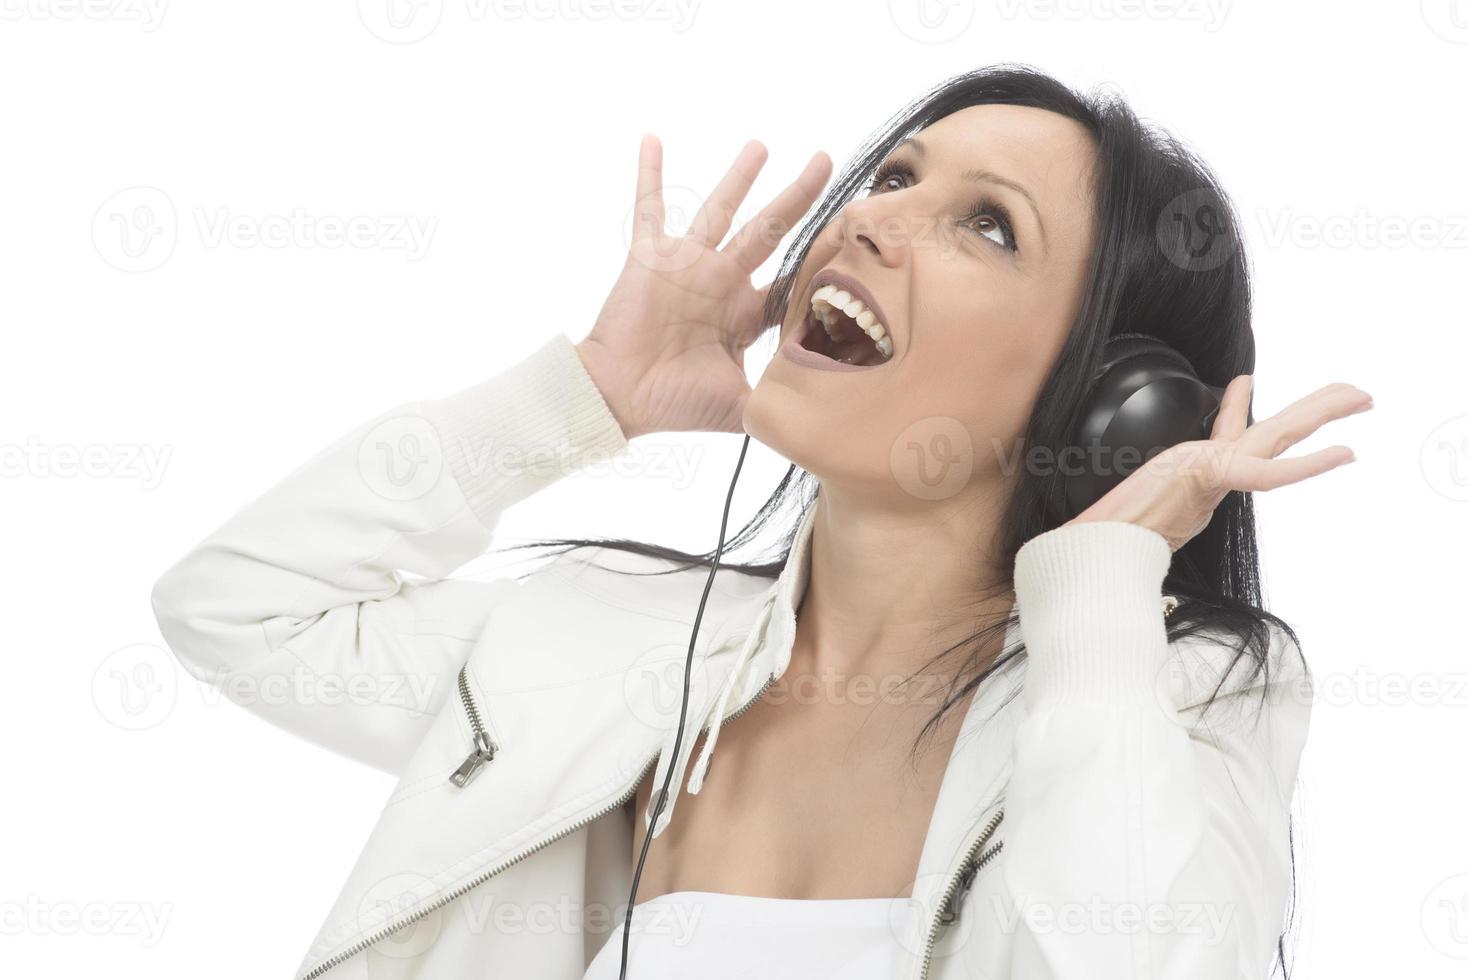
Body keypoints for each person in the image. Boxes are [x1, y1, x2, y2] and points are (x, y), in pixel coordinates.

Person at [151, 65, 1372, 980]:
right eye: (894, 176)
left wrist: (1105, 579)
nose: (869, 219)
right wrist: (578, 399)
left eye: (986, 223)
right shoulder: (609, 646)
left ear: (1115, 405)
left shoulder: (1181, 696)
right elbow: (240, 607)